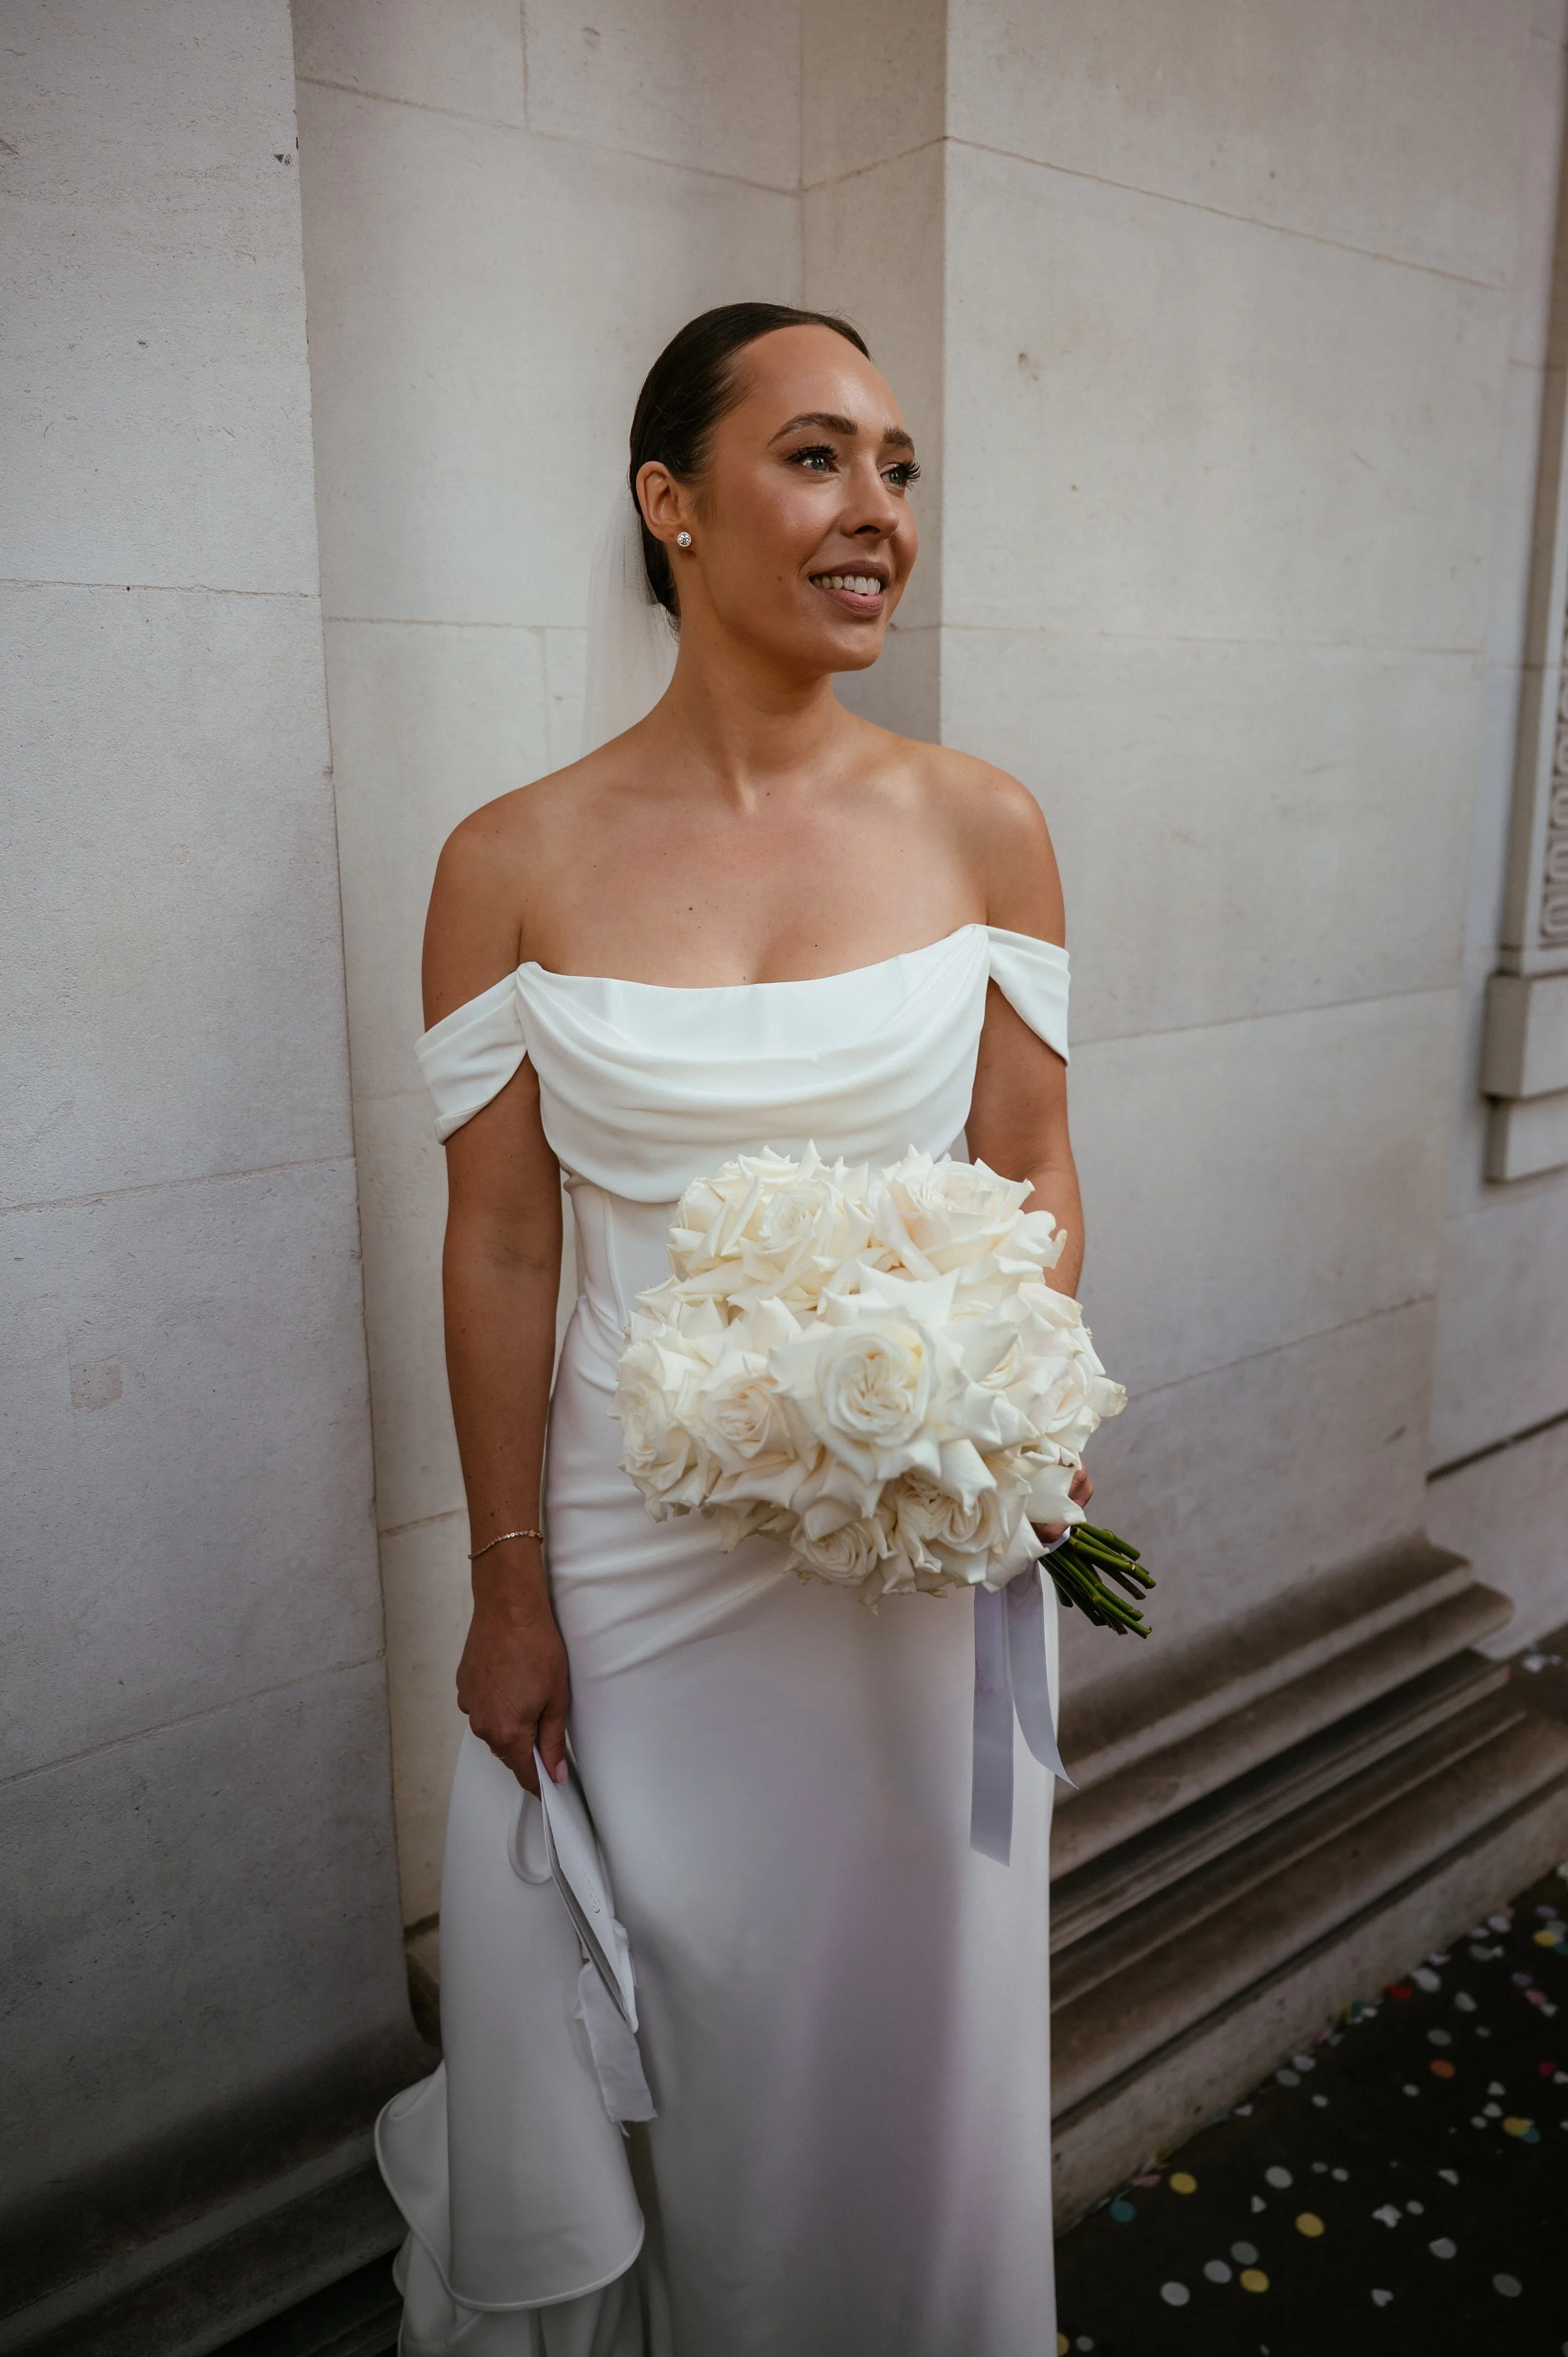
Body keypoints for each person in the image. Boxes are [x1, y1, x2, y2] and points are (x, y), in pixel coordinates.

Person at [376, 302, 1091, 2356]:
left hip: (906, 1562)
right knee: (675, 2030)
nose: (875, 511)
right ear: (668, 504)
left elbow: (1032, 1163)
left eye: (897, 467)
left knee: (903, 2027)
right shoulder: (503, 863)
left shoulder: (985, 824)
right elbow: (500, 1247)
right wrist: (506, 1586)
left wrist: (1020, 1417)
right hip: (626, 1571)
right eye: (815, 459)